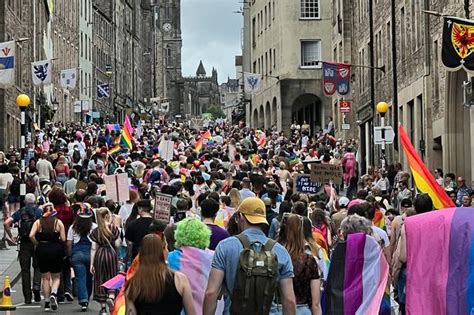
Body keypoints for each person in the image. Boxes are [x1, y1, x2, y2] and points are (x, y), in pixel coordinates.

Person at [203, 197, 296, 315]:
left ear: (240, 217)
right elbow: (289, 300)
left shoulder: (225, 246)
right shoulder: (280, 251)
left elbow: (211, 293)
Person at [125, 234, 196, 315]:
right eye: (166, 248)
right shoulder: (180, 279)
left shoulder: (133, 284)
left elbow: (130, 312)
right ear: (162, 251)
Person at [277, 214, 322, 314]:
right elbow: (316, 303)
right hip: (303, 310)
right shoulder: (309, 260)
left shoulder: (274, 256)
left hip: (278, 309)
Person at [3, 193, 42, 304]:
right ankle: (36, 287)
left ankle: (27, 297)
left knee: (25, 271)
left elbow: (6, 223)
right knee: (38, 266)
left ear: (24, 201)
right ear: (35, 202)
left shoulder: (20, 212)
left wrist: (11, 237)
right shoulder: (39, 212)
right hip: (36, 242)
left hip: (24, 244)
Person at [29, 203, 66, 312]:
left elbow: (31, 235)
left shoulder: (38, 222)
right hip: (55, 249)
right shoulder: (58, 222)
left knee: (45, 277)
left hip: (42, 249)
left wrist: (37, 243)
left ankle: (46, 302)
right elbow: (63, 239)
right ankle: (54, 293)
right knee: (56, 276)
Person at [90, 207, 121, 314]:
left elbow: (94, 248)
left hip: (99, 255)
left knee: (100, 279)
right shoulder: (114, 228)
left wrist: (91, 264)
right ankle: (111, 296)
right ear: (107, 215)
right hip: (111, 255)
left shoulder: (95, 231)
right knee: (112, 277)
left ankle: (103, 308)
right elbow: (117, 244)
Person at [66, 203, 95, 312]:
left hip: (77, 254)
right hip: (91, 254)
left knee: (80, 277)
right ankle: (87, 297)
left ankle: (83, 300)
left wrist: (69, 255)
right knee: (89, 277)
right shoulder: (94, 227)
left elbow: (69, 243)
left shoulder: (73, 227)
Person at [48, 187, 75, 303]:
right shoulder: (69, 210)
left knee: (56, 269)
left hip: (55, 241)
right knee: (67, 266)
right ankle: (68, 289)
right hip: (67, 239)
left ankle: (60, 293)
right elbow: (73, 223)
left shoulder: (51, 212)